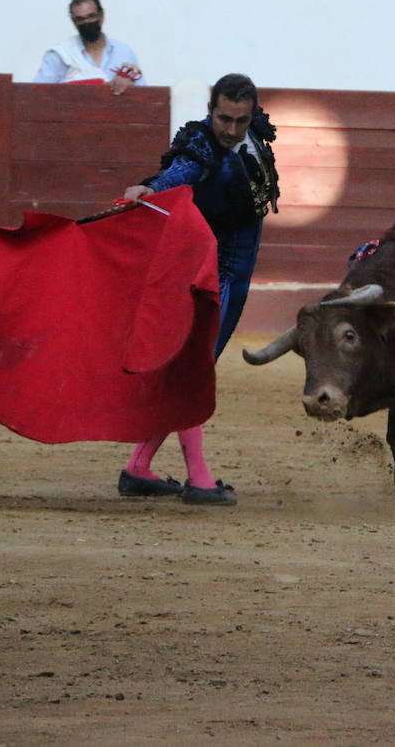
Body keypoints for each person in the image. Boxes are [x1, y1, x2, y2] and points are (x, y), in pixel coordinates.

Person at [118, 72, 282, 506]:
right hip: (208, 279)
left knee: (189, 373)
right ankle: (200, 479)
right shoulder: (203, 146)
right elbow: (182, 171)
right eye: (223, 118)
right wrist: (152, 187)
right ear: (211, 111)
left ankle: (138, 467)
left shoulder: (254, 138)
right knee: (194, 373)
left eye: (240, 121)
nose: (230, 130)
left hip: (234, 280)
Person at [34, 0, 144, 92]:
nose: (86, 22)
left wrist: (128, 84)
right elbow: (39, 93)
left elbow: (143, 93)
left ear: (101, 16)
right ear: (74, 21)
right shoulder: (60, 55)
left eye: (91, 16)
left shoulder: (123, 52)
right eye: (80, 19)